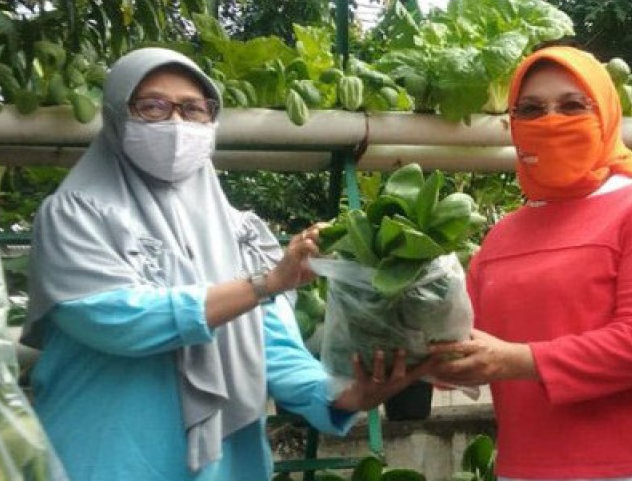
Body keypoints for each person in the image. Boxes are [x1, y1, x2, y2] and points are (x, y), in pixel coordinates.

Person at [22, 47, 426, 481]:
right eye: (153, 106)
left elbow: (273, 351)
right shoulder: (76, 214)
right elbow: (113, 319)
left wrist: (346, 393)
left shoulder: (240, 233)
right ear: (118, 115)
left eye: (193, 109)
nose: (176, 123)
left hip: (225, 465)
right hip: (104, 457)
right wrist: (262, 285)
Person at [431, 46, 632, 480]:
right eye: (532, 110)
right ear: (513, 124)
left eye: (573, 105)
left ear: (606, 115)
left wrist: (519, 360)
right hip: (525, 468)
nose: (551, 120)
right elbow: (461, 343)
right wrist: (402, 349)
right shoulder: (503, 235)